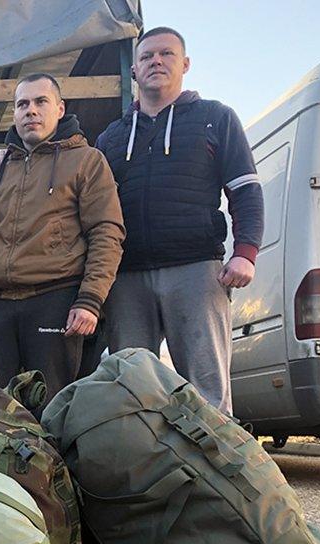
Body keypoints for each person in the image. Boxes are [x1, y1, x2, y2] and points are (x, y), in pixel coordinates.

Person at [95, 27, 264, 415]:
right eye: (147, 56)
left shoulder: (215, 118)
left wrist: (245, 253)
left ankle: (216, 472)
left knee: (207, 392)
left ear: (185, 64)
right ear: (134, 71)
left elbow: (245, 189)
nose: (156, 61)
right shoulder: (111, 138)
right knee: (131, 390)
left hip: (197, 271)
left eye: (167, 54)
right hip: (127, 278)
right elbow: (90, 208)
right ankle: (141, 474)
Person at [0, 74, 125, 406]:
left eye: (40, 102)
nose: (31, 111)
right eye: (22, 104)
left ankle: (53, 461)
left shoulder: (86, 161)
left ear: (59, 108)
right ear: (13, 113)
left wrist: (89, 300)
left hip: (55, 299)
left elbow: (106, 232)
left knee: (53, 408)